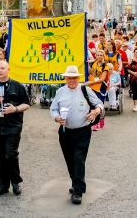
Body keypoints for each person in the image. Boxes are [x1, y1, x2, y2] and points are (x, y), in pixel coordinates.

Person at [49, 65, 104, 205]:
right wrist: (56, 118)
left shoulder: (85, 89)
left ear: (78, 78)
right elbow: (53, 109)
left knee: (79, 159)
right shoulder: (60, 91)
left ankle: (78, 191)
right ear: (65, 78)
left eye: (74, 77)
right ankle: (76, 182)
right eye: (69, 78)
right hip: (65, 131)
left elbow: (99, 104)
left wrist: (96, 111)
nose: (72, 80)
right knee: (70, 159)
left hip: (82, 131)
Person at [0, 60, 30, 196]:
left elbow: (27, 104)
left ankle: (15, 182)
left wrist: (15, 109)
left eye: (3, 68)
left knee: (10, 154)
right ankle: (3, 184)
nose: (0, 70)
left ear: (9, 69)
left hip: (13, 126)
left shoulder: (17, 86)